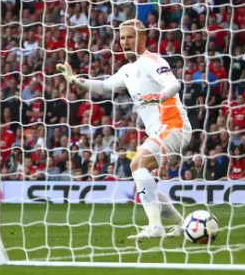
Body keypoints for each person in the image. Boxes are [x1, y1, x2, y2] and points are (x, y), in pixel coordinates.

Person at [57, 19, 188, 239]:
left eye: (129, 37)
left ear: (142, 38)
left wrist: (158, 96)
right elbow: (104, 86)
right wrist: (76, 80)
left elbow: (174, 84)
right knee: (145, 182)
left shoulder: (152, 61)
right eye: (122, 38)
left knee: (137, 163)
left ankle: (155, 227)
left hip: (174, 125)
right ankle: (184, 226)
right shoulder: (127, 70)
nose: (124, 42)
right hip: (159, 130)